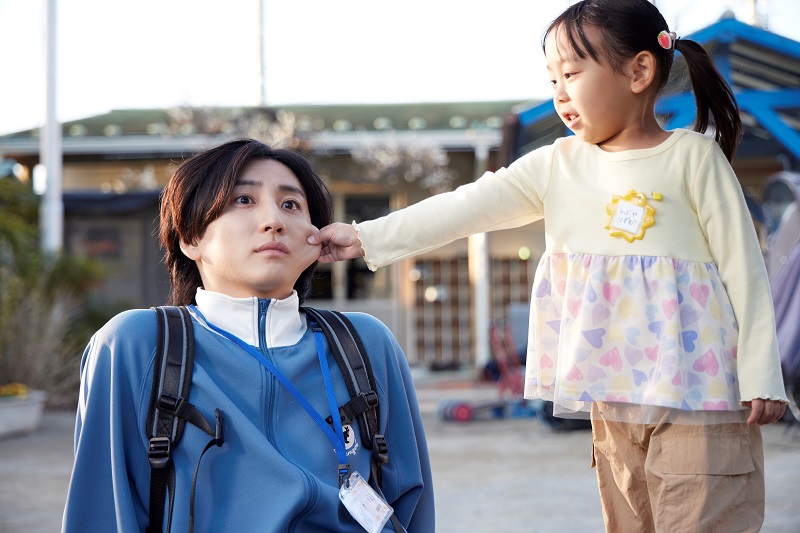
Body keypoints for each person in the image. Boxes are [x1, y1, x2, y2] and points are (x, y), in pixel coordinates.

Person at [309, 1, 788, 531]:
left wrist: (762, 371)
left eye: (572, 73)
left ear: (639, 71)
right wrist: (365, 236)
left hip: (700, 393)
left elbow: (744, 269)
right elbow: (462, 207)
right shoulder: (557, 165)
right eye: (552, 78)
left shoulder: (692, 157)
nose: (559, 92)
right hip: (615, 401)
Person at [62, 139, 435, 532]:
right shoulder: (137, 344)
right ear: (191, 238)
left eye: (290, 204)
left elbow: (411, 509)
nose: (273, 220)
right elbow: (100, 513)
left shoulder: (364, 343)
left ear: (316, 237)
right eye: (243, 200)